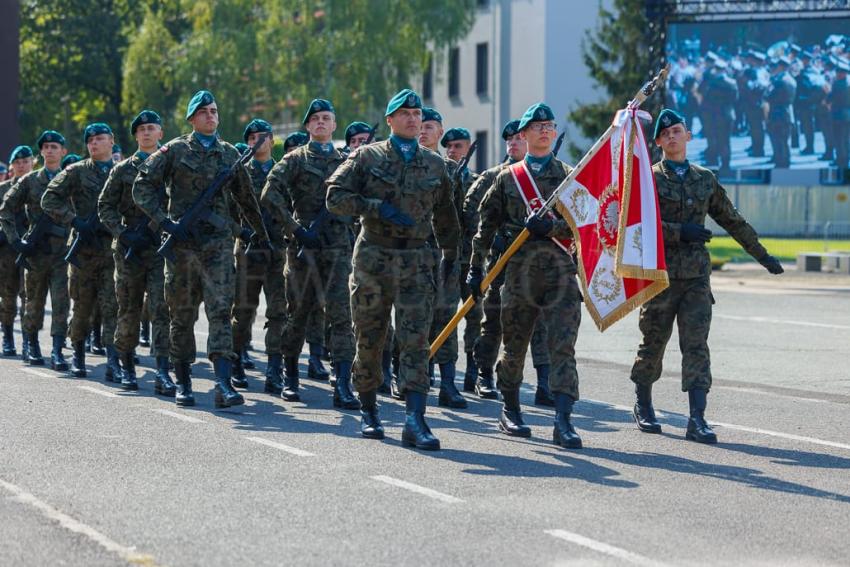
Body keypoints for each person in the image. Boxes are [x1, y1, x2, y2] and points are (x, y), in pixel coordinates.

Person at [630, 109, 783, 445]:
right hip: (660, 276)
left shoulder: (705, 179)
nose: (672, 136)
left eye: (677, 131)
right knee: (653, 342)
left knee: (696, 346)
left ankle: (697, 419)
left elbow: (732, 219)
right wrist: (677, 232)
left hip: (697, 278)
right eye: (665, 133)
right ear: (657, 143)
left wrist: (762, 255)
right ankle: (643, 402)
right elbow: (637, 225)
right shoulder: (649, 179)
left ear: (689, 137)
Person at [327, 88, 460, 449]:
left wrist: (452, 258)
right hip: (374, 258)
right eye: (404, 114)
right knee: (371, 338)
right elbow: (334, 197)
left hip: (417, 261)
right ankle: (369, 409)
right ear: (390, 120)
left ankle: (415, 419)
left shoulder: (435, 164)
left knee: (416, 341)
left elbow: (447, 215)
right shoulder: (366, 157)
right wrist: (374, 207)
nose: (413, 119)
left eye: (417, 114)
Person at [132, 90, 270, 408]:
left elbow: (247, 200)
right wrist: (164, 221)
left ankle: (223, 383)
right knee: (181, 316)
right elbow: (142, 186)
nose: (211, 115)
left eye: (214, 111)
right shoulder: (175, 150)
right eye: (204, 111)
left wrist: (262, 237)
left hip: (218, 246)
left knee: (221, 312)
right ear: (192, 118)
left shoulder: (228, 154)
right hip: (182, 247)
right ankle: (183, 382)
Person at [467, 103, 583, 449]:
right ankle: (510, 408)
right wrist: (476, 268)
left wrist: (553, 226)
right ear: (525, 135)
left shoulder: (569, 176)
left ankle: (563, 421)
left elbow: (585, 223)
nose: (545, 131)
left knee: (563, 346)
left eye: (550, 125)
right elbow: (484, 226)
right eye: (538, 127)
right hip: (519, 273)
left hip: (560, 272)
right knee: (514, 344)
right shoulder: (507, 178)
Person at [261, 99, 359, 409]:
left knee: (342, 318)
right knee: (299, 316)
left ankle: (343, 384)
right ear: (307, 127)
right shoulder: (295, 160)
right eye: (314, 119)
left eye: (326, 118)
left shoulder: (347, 162)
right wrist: (293, 228)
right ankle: (290, 376)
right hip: (304, 250)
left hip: (339, 250)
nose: (320, 123)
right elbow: (270, 193)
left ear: (333, 125)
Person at [464, 120, 552, 405]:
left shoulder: (550, 175)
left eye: (518, 138)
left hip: (539, 262)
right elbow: (472, 210)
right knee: (494, 320)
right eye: (509, 140)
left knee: (541, 324)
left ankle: (545, 382)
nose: (514, 143)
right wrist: (495, 239)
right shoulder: (496, 176)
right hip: (503, 261)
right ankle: (485, 375)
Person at [97, 110, 175, 395]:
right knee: (128, 308)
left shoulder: (171, 167)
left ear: (160, 133)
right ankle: (127, 366)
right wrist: (122, 232)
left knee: (161, 308)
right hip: (130, 248)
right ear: (135, 136)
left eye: (151, 128)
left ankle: (163, 372)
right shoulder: (122, 169)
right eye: (141, 129)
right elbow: (105, 206)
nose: (146, 132)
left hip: (160, 248)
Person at [42, 124, 121, 380]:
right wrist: (74, 221)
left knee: (112, 307)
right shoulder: (75, 172)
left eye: (100, 139)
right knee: (83, 307)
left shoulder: (123, 172)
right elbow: (49, 198)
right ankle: (77, 354)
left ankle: (113, 360)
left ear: (112, 141)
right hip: (83, 253)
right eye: (91, 140)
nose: (95, 143)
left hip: (112, 252)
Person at [0, 131, 69, 369]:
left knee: (61, 302)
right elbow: (6, 209)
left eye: (54, 146)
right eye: (46, 147)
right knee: (33, 302)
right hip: (36, 253)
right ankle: (31, 344)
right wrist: (15, 239)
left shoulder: (72, 178)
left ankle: (58, 350)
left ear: (63, 151)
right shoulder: (29, 181)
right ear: (41, 153)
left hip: (63, 253)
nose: (49, 150)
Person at [228, 118, 287, 395]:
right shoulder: (238, 173)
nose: (257, 142)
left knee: (278, 311)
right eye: (252, 138)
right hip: (249, 251)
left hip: (278, 251)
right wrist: (242, 232)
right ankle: (236, 358)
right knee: (243, 311)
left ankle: (275, 368)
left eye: (262, 137)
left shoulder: (283, 171)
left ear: (272, 139)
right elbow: (226, 214)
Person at [0, 145, 34, 359]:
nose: (21, 165)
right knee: (7, 295)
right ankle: (8, 337)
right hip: (6, 251)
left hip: (32, 250)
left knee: (28, 296)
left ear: (32, 163)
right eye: (17, 162)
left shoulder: (39, 186)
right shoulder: (3, 189)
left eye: (25, 161)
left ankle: (28, 341)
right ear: (12, 166)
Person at [765, 57, 797, 168]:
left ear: (780, 66)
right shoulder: (792, 79)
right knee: (785, 140)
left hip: (777, 112)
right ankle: (786, 161)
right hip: (788, 111)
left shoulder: (778, 81)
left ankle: (781, 162)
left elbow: (768, 96)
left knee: (778, 140)